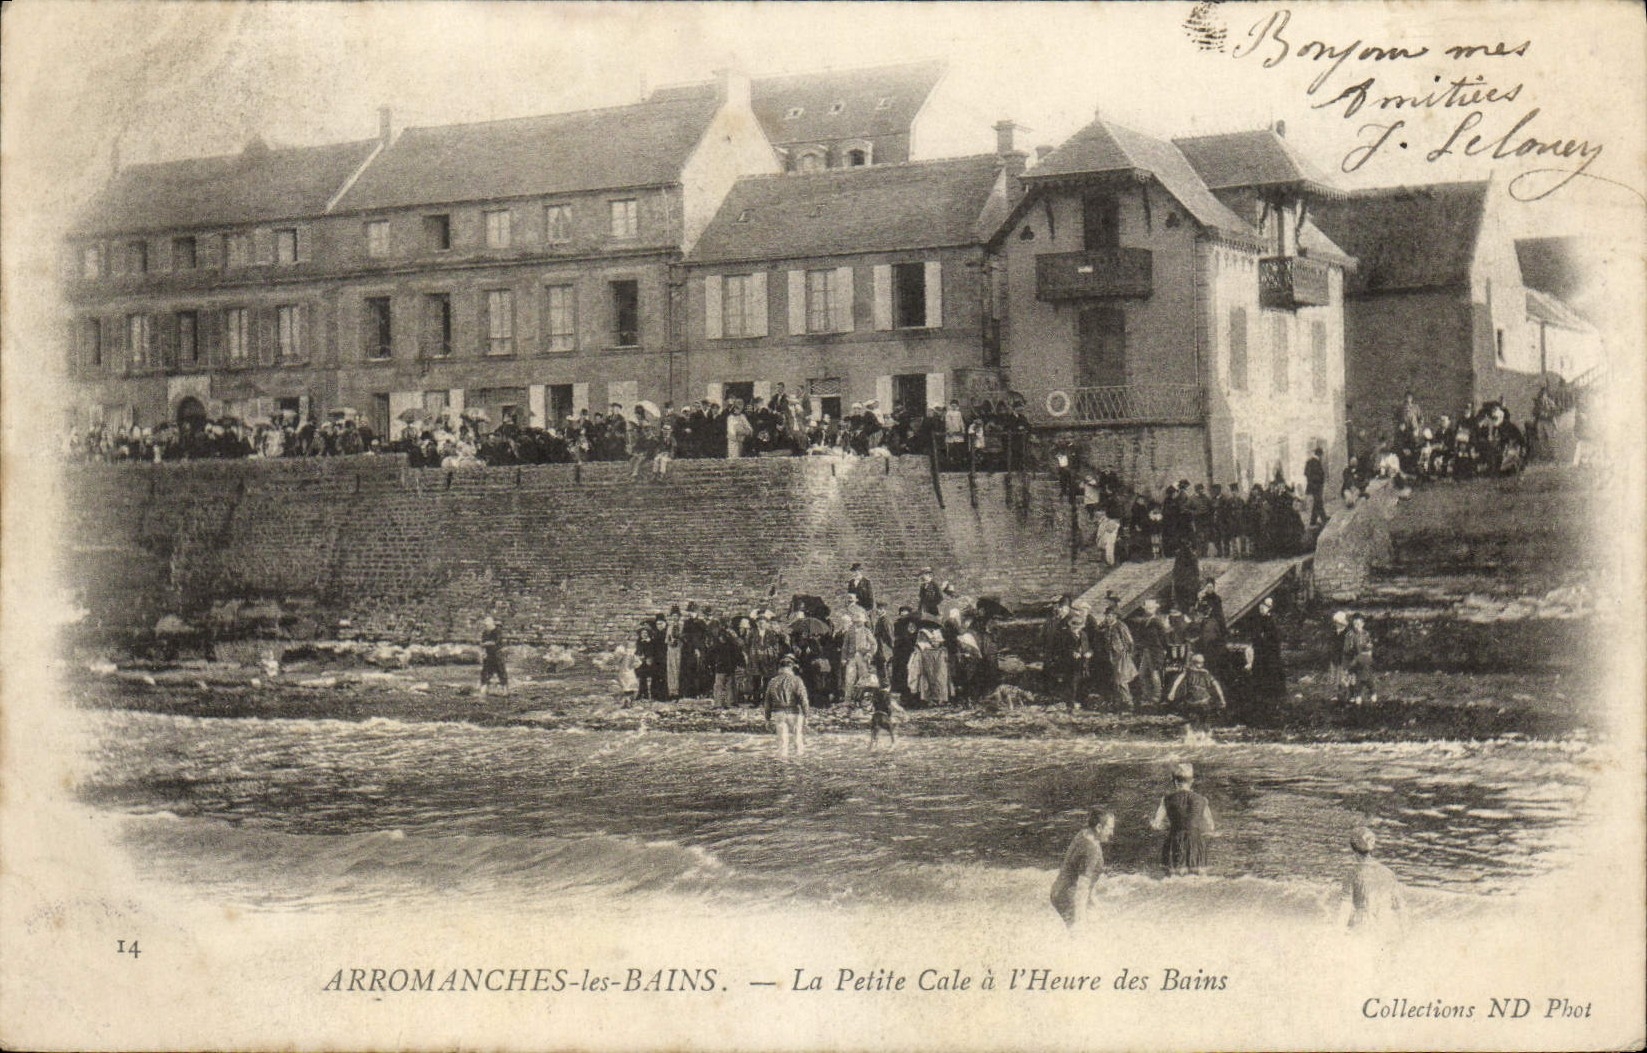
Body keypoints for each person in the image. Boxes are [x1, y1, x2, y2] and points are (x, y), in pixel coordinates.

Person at [1050, 807, 1116, 929]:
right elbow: (1082, 887)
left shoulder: (1084, 834)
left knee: (1101, 923)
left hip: (1059, 891)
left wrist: (1093, 902)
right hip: (1069, 897)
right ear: (1099, 828)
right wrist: (1080, 920)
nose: (1112, 833)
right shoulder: (1092, 850)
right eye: (1110, 829)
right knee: (1080, 931)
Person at [1150, 762, 1215, 876]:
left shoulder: (1167, 799)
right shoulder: (1202, 800)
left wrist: (1165, 826)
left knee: (1173, 878)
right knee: (1198, 878)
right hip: (1196, 841)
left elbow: (1156, 825)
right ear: (1192, 781)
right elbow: (1211, 826)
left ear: (1175, 782)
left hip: (1174, 841)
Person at [1345, 827, 1407, 931]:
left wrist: (1337, 932)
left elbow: (1345, 906)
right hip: (1385, 924)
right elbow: (1399, 906)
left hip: (1362, 926)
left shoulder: (1353, 874)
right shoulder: (1388, 872)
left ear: (1353, 849)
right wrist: (1403, 931)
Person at [1166, 653, 1226, 735]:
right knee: (1205, 719)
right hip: (1205, 701)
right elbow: (1217, 686)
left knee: (1189, 716)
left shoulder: (1188, 672)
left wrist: (1172, 692)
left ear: (1192, 662)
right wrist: (1222, 699)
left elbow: (1178, 680)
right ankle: (1205, 735)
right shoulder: (1206, 673)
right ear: (1202, 663)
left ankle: (1192, 733)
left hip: (1192, 701)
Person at [764, 654, 811, 757]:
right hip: (795, 713)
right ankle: (799, 761)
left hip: (779, 713)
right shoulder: (797, 680)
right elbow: (803, 699)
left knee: (782, 743)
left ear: (780, 668)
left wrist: (767, 718)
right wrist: (806, 715)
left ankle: (783, 762)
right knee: (798, 740)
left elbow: (767, 702)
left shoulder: (772, 681)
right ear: (791, 667)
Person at [1248, 595, 1287, 711]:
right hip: (1261, 650)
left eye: (1265, 607)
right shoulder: (1258, 620)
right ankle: (1260, 692)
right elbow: (1256, 634)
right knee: (1260, 670)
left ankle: (1274, 693)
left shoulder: (1272, 619)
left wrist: (1266, 638)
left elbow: (1275, 635)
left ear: (1269, 608)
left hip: (1271, 650)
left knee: (1272, 670)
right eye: (1261, 607)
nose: (1262, 609)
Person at [1343, 613, 1376, 703]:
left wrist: (1368, 654)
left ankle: (1368, 693)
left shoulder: (1366, 634)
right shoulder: (1350, 634)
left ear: (1363, 624)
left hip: (1363, 659)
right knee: (1352, 677)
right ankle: (1352, 695)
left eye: (1359, 624)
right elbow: (1346, 649)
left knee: (1365, 676)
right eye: (1355, 624)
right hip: (1353, 658)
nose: (1357, 626)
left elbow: (1369, 646)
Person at [478, 615, 509, 697]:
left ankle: (505, 690)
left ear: (492, 623)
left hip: (497, 654)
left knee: (501, 671)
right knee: (485, 672)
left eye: (487, 624)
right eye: (485, 624)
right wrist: (483, 653)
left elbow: (495, 642)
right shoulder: (485, 633)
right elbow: (482, 643)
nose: (486, 626)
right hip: (489, 655)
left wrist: (485, 644)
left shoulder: (497, 631)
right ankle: (484, 690)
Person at [867, 684, 896, 750]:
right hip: (883, 716)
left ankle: (872, 746)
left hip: (875, 716)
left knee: (873, 733)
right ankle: (893, 743)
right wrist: (889, 716)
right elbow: (889, 707)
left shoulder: (876, 694)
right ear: (888, 687)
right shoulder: (887, 695)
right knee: (891, 730)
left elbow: (873, 706)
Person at [1304, 447, 1327, 527]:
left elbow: (1306, 473)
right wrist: (1317, 480)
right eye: (1322, 455)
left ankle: (1313, 521)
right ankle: (1324, 519)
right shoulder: (1314, 462)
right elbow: (1309, 474)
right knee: (1318, 502)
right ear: (1319, 454)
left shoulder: (1310, 461)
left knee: (1317, 502)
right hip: (1316, 486)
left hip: (1314, 486)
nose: (1322, 457)